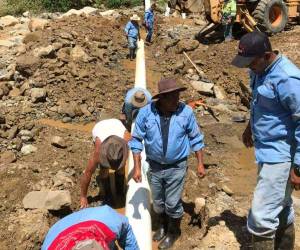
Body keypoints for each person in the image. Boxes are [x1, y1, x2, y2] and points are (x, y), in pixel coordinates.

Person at [232, 31, 300, 249]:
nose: (248, 67)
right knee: (282, 206)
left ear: (266, 55)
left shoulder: (287, 79)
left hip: (281, 155)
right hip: (266, 150)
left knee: (261, 216)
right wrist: (249, 128)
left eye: (251, 62)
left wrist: (298, 167)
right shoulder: (260, 71)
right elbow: (259, 104)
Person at [129, 79, 205, 249]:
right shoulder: (146, 113)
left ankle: (173, 231)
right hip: (155, 166)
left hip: (176, 166)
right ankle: (162, 225)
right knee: (157, 202)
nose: (177, 101)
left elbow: (196, 138)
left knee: (171, 202)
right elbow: (136, 141)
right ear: (161, 99)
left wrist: (200, 164)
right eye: (172, 98)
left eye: (178, 97)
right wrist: (136, 167)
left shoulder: (185, 112)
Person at [80, 119, 131, 209]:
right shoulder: (98, 152)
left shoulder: (127, 141)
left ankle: (120, 192)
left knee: (121, 167)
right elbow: (88, 173)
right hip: (99, 128)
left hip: (116, 124)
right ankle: (108, 195)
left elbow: (138, 153)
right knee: (104, 169)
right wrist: (83, 197)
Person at [41, 205, 139, 250]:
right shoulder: (49, 247)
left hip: (96, 219)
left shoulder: (109, 220)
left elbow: (126, 231)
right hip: (56, 233)